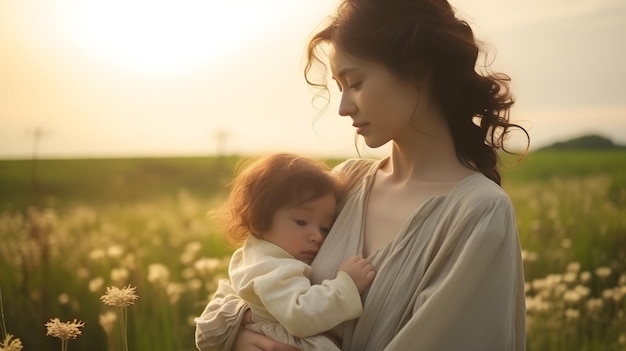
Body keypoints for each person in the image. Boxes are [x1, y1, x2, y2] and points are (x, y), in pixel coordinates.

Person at [195, 0, 529, 349]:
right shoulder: (345, 183)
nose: (343, 108)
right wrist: (244, 331)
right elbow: (252, 275)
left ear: (417, 70)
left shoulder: (479, 212)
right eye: (339, 88)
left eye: (354, 82)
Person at [195, 153, 376, 351]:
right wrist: (345, 285)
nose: (317, 236)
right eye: (301, 222)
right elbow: (300, 315)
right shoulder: (272, 266)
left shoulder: (254, 254)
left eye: (325, 228)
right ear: (259, 219)